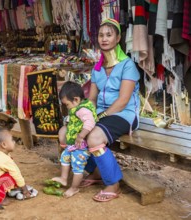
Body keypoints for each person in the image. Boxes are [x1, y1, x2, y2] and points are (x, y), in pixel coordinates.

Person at [82, 18, 140, 202]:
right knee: (71, 130)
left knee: (94, 137)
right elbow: (91, 98)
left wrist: (99, 117)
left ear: (118, 38)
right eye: (101, 35)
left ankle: (113, 184)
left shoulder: (127, 65)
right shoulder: (97, 68)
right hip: (102, 114)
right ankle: (97, 172)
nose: (104, 39)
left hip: (124, 114)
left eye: (109, 34)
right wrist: (84, 115)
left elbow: (123, 101)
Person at [52, 81, 97, 198]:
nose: (66, 107)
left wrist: (81, 135)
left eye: (66, 104)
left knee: (77, 166)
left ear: (76, 100)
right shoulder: (77, 107)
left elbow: (90, 122)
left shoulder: (83, 110)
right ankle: (63, 178)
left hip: (81, 146)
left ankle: (74, 188)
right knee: (65, 158)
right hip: (73, 144)